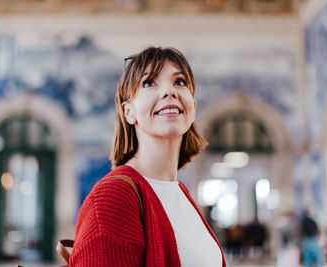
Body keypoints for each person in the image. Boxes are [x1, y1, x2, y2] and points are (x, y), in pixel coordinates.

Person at [69, 47, 226, 266]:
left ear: (193, 106)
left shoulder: (181, 193)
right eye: (149, 82)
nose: (169, 91)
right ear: (128, 112)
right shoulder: (113, 197)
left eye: (179, 82)